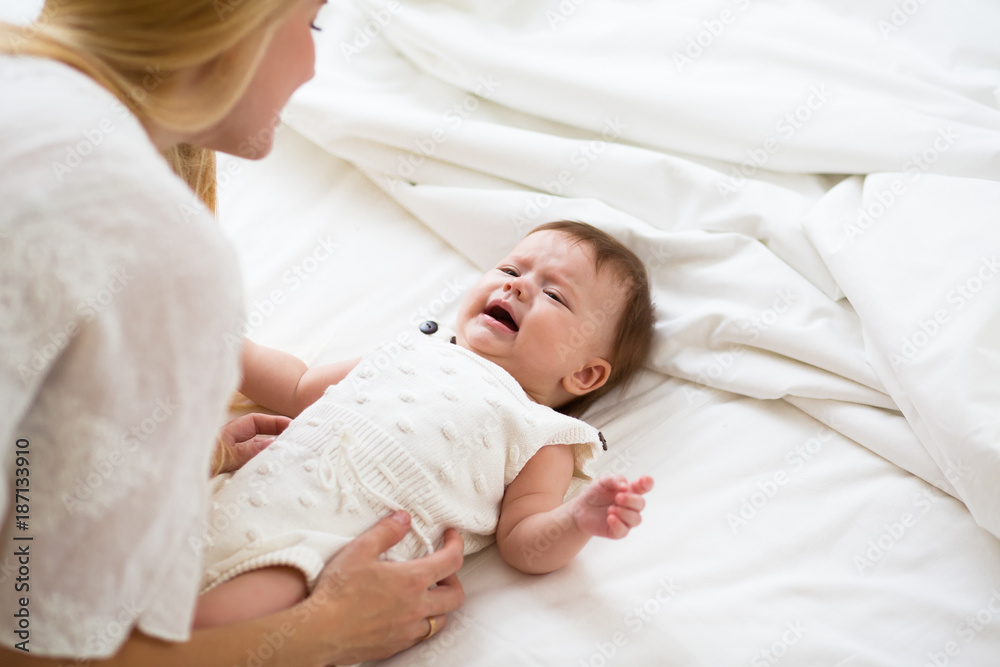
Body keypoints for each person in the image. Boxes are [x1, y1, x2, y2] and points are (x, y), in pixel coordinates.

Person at [0, 1, 464, 665]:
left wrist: (159, 454)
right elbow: (34, 648)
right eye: (312, 24)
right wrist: (329, 628)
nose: (313, 66)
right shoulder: (161, 251)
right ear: (235, 23)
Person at [193, 221, 657, 628]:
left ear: (584, 374)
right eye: (511, 270)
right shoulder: (415, 349)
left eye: (554, 295)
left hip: (325, 550)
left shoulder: (542, 432)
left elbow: (523, 542)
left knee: (209, 623)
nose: (516, 288)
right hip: (241, 493)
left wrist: (576, 520)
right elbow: (299, 388)